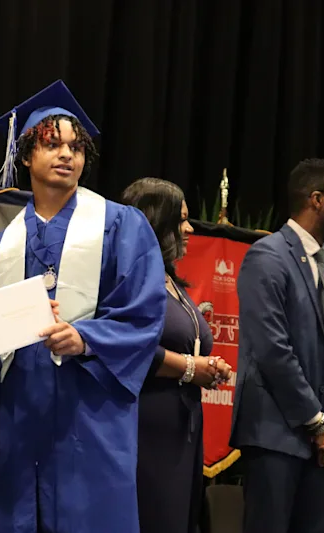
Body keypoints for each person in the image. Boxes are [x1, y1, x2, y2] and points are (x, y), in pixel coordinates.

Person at [0, 80, 167, 533]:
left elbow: (144, 312)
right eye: (52, 144)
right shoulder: (0, 247)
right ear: (26, 155)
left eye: (76, 146)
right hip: (21, 419)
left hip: (90, 417)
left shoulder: (122, 226)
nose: (67, 155)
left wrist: (86, 337)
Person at [230, 158, 324, 533]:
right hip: (276, 439)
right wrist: (317, 424)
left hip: (321, 450)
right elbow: (273, 351)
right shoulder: (267, 256)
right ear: (316, 199)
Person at [121, 177, 232, 533]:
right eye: (181, 219)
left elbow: (187, 343)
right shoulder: (127, 279)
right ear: (156, 221)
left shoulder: (170, 279)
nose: (188, 228)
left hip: (180, 426)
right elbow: (126, 344)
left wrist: (208, 365)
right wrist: (187, 368)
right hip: (145, 426)